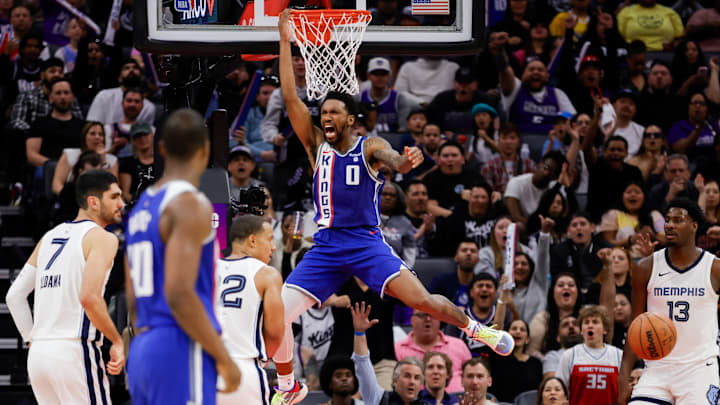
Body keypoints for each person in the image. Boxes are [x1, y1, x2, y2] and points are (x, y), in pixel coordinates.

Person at [272, 11, 513, 404]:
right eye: (324, 112)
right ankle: (288, 385)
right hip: (327, 247)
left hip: (366, 243)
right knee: (278, 313)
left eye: (334, 112)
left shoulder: (367, 145)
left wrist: (404, 162)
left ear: (350, 118)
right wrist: (285, 41)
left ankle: (475, 329)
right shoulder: (317, 146)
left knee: (422, 301)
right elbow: (289, 97)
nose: (326, 116)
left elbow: (392, 157)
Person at [125, 109, 241, 404]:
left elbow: (132, 300)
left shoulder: (141, 207)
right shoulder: (190, 203)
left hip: (144, 347)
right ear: (205, 150)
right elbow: (178, 293)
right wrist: (223, 356)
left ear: (161, 148)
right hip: (179, 343)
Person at [5, 170, 126, 404]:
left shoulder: (50, 236)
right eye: (114, 197)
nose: (121, 203)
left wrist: (32, 340)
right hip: (74, 352)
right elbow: (89, 297)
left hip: (40, 355)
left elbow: (14, 296)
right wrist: (117, 341)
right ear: (93, 202)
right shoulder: (102, 238)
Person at [618, 198, 720, 405]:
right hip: (657, 368)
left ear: (694, 226)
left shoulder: (714, 268)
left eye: (678, 220)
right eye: (667, 220)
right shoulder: (645, 268)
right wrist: (623, 375)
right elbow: (635, 324)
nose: (670, 225)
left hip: (699, 369)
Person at [216, 215, 285, 405]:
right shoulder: (267, 274)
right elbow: (275, 333)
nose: (273, 247)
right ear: (252, 240)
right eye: (270, 239)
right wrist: (261, 361)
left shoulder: (205, 269)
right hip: (243, 369)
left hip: (203, 370)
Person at [351, 302, 430, 405]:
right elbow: (362, 364)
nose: (412, 382)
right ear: (395, 381)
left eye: (417, 378)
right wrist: (359, 332)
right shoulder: (378, 398)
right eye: (407, 376)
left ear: (421, 385)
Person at [556, 305, 623, 405]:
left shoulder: (619, 355)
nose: (590, 326)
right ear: (581, 330)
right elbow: (559, 391)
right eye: (586, 322)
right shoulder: (569, 355)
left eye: (595, 322)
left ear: (605, 330)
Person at [395, 309, 471, 393]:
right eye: (422, 315)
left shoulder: (458, 345)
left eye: (433, 315)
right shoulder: (397, 349)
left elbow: (472, 376)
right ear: (412, 320)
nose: (428, 319)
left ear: (440, 320)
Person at [25, 78, 85, 168]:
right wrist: (58, 167)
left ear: (72, 97)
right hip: (48, 170)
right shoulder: (38, 124)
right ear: (50, 98)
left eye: (66, 93)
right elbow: (32, 155)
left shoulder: (82, 126)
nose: (63, 97)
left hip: (76, 170)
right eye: (58, 93)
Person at [52, 121, 119, 195]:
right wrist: (71, 199)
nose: (97, 137)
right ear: (84, 136)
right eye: (92, 133)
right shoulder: (69, 154)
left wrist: (103, 160)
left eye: (101, 134)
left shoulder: (112, 160)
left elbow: (114, 188)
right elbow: (56, 185)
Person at [86, 58, 155, 125]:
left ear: (141, 77)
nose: (131, 70)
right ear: (119, 78)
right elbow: (92, 126)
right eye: (126, 68)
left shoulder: (149, 107)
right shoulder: (104, 95)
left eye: (135, 68)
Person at [488, 319, 543, 402]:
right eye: (514, 328)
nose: (518, 332)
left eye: (522, 329)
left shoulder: (536, 364)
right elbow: (497, 328)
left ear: (527, 339)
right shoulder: (498, 357)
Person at [481, 123, 536, 194]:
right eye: (504, 138)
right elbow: (486, 193)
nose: (508, 142)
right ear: (498, 141)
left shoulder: (529, 165)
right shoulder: (489, 166)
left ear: (519, 142)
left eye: (512, 138)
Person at [429, 240, 480, 310]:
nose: (468, 253)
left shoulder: (482, 285)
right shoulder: (440, 282)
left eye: (473, 251)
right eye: (464, 250)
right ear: (456, 257)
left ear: (478, 259)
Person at [617, 0, 684, 51]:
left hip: (664, 53)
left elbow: (680, 37)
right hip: (635, 53)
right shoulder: (626, 12)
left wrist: (674, 45)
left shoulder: (670, 12)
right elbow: (617, 35)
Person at [118, 122, 156, 205]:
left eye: (145, 134)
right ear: (132, 140)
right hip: (137, 207)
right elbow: (125, 194)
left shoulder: (162, 161)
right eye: (137, 136)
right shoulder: (127, 164)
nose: (142, 138)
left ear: (152, 136)